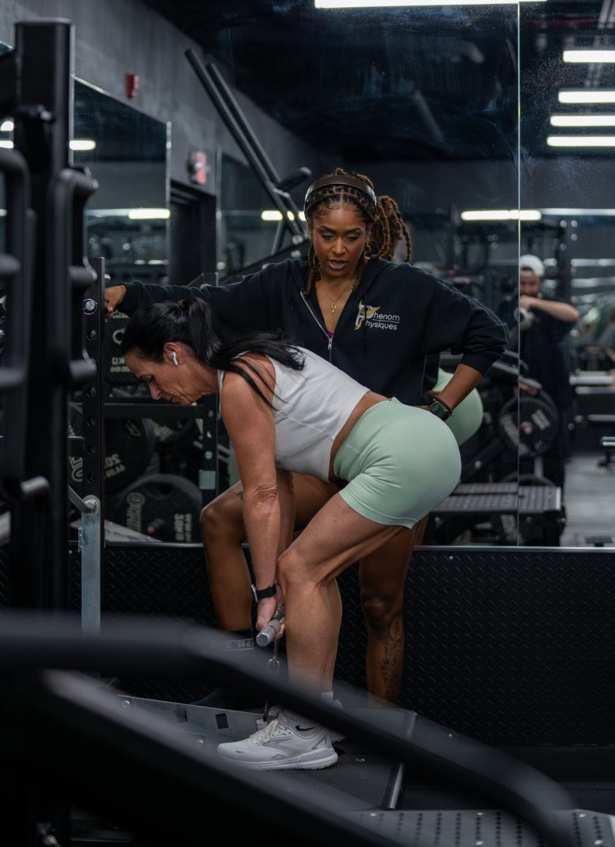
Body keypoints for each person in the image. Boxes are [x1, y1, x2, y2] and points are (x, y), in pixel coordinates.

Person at [105, 170, 506, 706]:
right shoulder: (280, 285)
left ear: (370, 232)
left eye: (351, 236)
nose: (338, 249)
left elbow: (488, 334)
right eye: (326, 234)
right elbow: (200, 303)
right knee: (222, 521)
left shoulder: (405, 288)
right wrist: (127, 293)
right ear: (308, 230)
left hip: (388, 452)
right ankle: (248, 674)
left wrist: (439, 407)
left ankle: (375, 736)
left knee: (380, 604)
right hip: (325, 463)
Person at [121, 296, 463, 770]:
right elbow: (277, 492)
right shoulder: (254, 365)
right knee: (311, 572)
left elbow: (258, 497)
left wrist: (266, 592)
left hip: (403, 454)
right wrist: (278, 587)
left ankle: (303, 731)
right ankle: (318, 712)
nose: (155, 395)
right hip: (423, 444)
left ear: (175, 353)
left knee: (300, 570)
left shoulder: (240, 383)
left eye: (150, 380)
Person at [518, 254, 579, 488]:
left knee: (555, 454)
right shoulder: (507, 305)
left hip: (554, 391)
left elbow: (572, 315)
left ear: (541, 281)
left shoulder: (551, 305)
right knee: (520, 452)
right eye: (523, 284)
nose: (527, 288)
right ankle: (523, 513)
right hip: (520, 393)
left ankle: (553, 513)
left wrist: (534, 303)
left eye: (532, 284)